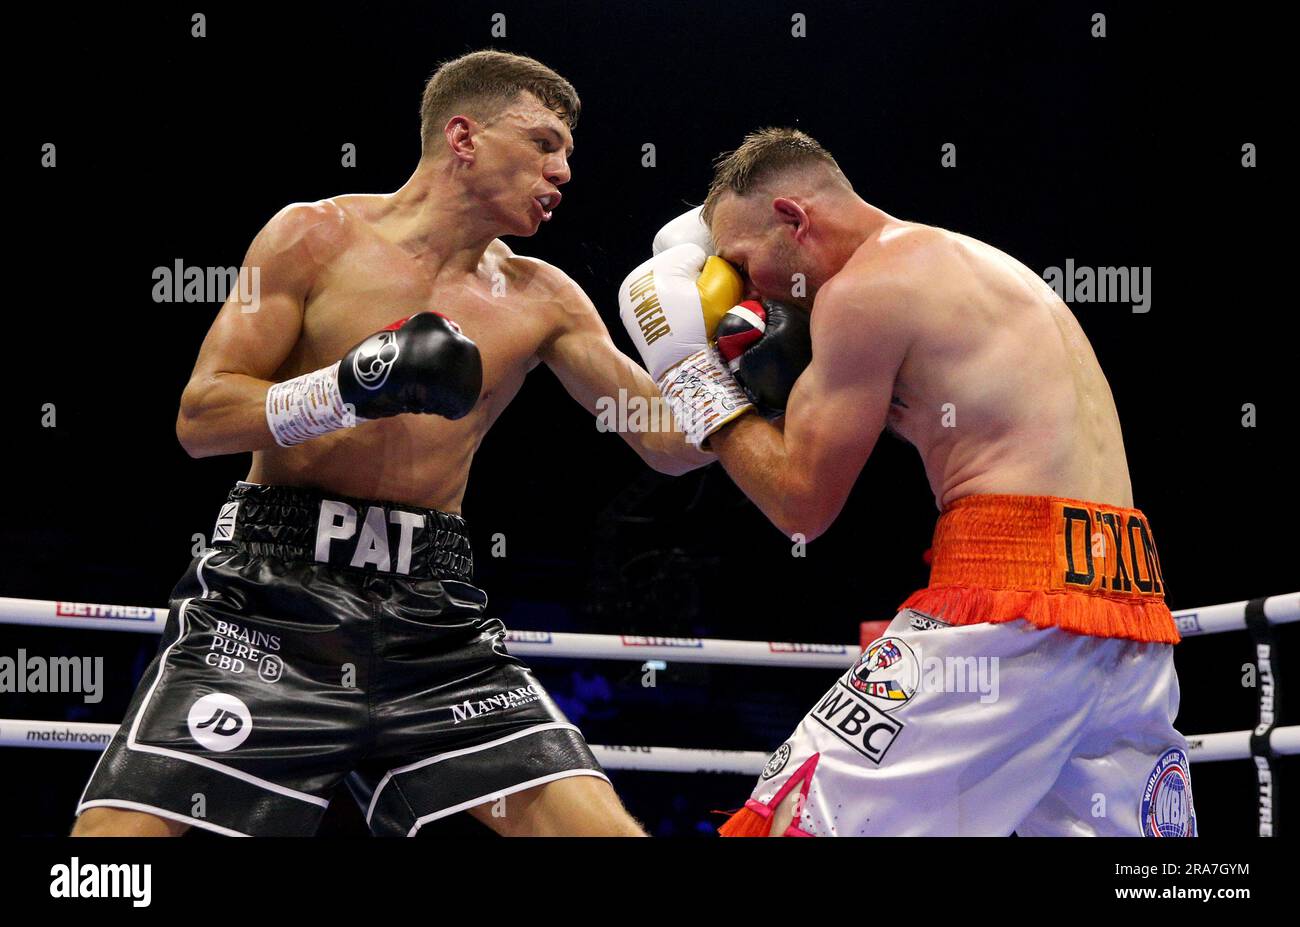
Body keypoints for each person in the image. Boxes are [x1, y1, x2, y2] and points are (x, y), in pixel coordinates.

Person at [72, 50, 709, 838]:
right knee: (110, 859)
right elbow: (201, 418)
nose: (564, 170)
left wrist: (732, 360)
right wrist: (347, 387)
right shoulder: (313, 236)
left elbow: (672, 443)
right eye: (545, 142)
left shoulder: (546, 298)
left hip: (435, 624)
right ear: (464, 136)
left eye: (568, 152)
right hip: (268, 604)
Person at [618, 128, 1195, 837]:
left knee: (798, 819)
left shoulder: (864, 292)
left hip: (1012, 609)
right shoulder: (965, 263)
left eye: (740, 262)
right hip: (1128, 607)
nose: (739, 287)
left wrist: (692, 377)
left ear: (794, 220)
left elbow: (802, 504)